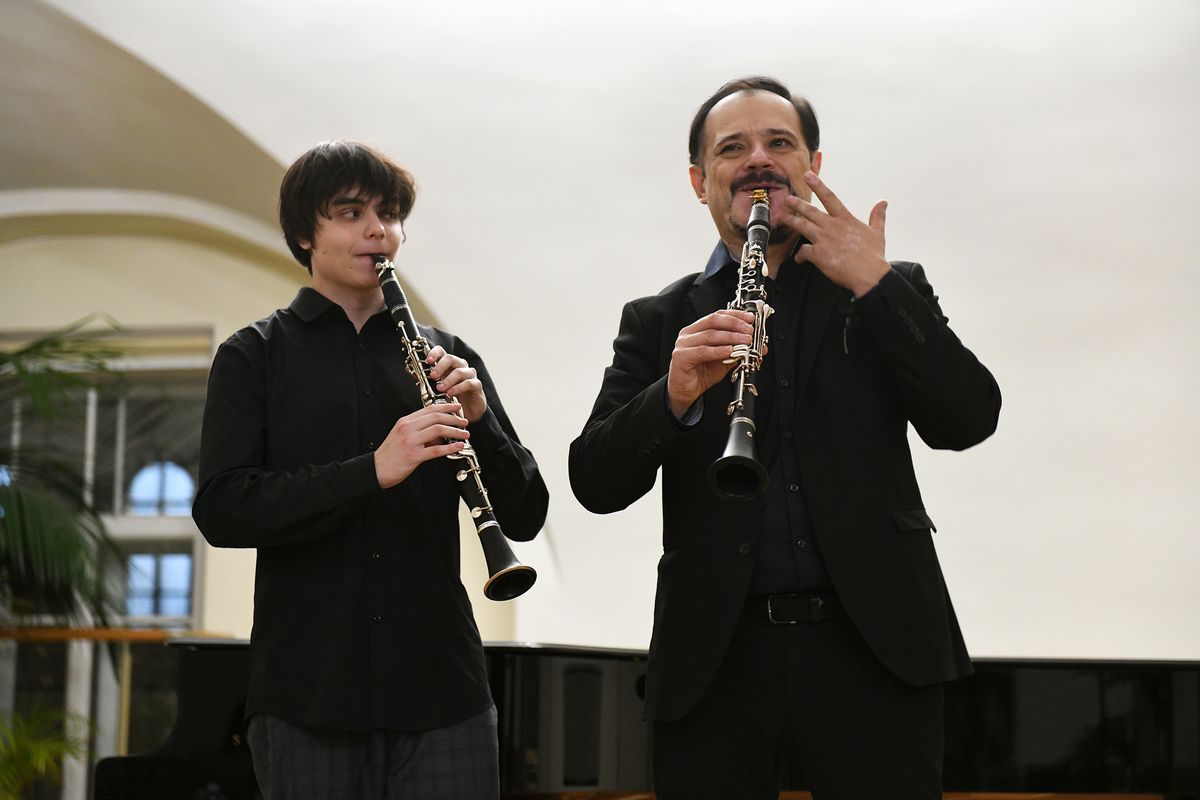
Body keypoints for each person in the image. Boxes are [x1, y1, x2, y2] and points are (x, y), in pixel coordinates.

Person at [569, 76, 1001, 799]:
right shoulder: (659, 319)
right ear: (699, 182)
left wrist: (877, 285)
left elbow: (969, 418)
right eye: (732, 148)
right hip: (716, 661)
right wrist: (671, 396)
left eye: (779, 143)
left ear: (813, 166)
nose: (758, 160)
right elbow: (595, 483)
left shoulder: (882, 287)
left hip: (876, 651)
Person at [193, 140, 547, 800]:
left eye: (389, 214)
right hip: (308, 695)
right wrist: (373, 470)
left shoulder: (448, 355)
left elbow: (526, 515)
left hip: (444, 693)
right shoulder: (254, 355)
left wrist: (481, 421)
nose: (378, 230)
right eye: (351, 213)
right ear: (306, 233)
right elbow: (223, 508)